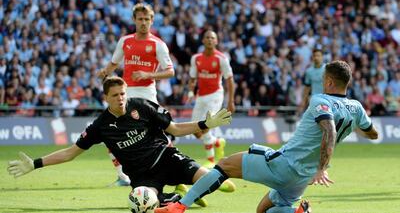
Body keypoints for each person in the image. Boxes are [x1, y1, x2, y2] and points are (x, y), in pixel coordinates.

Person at [155, 60, 378, 213]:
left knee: (224, 165)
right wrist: (353, 127)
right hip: (301, 179)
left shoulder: (321, 100)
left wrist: (323, 166)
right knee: (263, 210)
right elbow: (372, 133)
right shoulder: (356, 108)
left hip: (285, 164)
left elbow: (328, 130)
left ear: (328, 81)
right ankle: (294, 211)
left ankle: (180, 206)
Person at [7, 76, 235, 207]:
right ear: (105, 98)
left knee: (212, 181)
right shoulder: (100, 126)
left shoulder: (143, 106)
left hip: (167, 158)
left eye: (123, 93)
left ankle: (181, 197)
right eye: (115, 95)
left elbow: (174, 128)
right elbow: (70, 153)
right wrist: (35, 163)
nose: (121, 98)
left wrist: (205, 124)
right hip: (143, 177)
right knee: (141, 203)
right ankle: (171, 200)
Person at [97, 3, 175, 185]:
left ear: (152, 21)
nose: (143, 23)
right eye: (140, 19)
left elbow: (170, 71)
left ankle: (175, 170)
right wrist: (105, 72)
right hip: (124, 93)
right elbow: (114, 63)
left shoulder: (158, 45)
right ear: (134, 20)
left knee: (158, 136)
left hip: (147, 94)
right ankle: (122, 176)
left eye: (147, 19)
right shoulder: (125, 41)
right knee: (110, 134)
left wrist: (149, 74)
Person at [187, 30, 235, 168]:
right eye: (207, 37)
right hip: (201, 96)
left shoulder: (221, 58)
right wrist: (191, 91)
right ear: (203, 40)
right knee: (195, 131)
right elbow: (192, 78)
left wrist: (231, 101)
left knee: (207, 124)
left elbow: (230, 80)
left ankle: (210, 159)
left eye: (212, 38)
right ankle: (218, 142)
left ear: (216, 41)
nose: (209, 40)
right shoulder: (196, 58)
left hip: (215, 95)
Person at [297, 48, 325, 115]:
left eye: (318, 55)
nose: (316, 57)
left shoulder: (328, 69)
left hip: (326, 99)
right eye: (314, 56)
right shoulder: (309, 71)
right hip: (314, 99)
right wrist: (303, 101)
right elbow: (307, 87)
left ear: (322, 57)